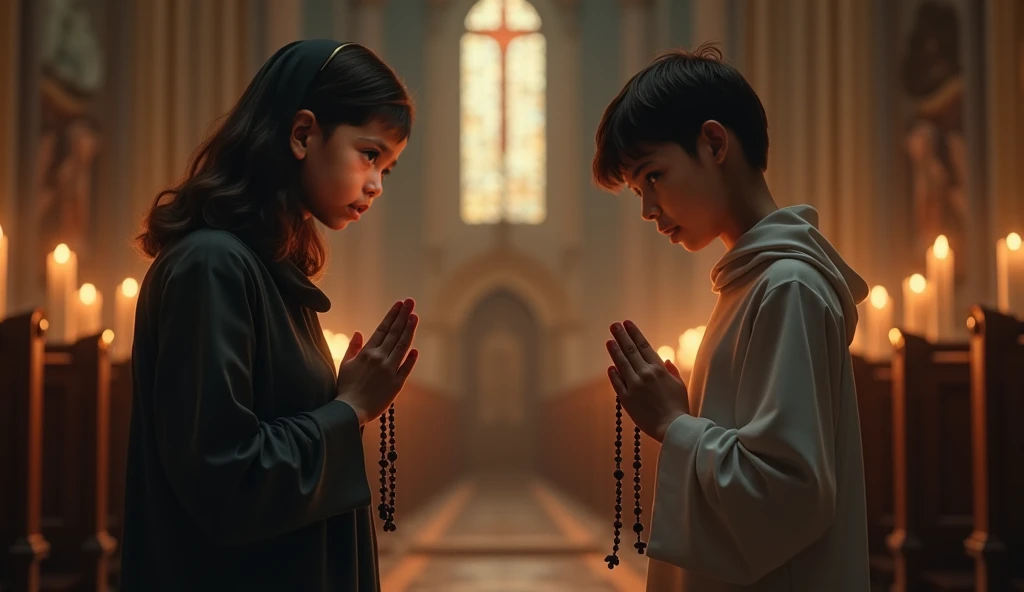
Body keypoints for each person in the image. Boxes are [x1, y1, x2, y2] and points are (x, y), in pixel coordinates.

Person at [119, 40, 418, 591]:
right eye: (370, 154)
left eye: (388, 169)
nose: (376, 184)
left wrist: (344, 404)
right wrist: (349, 408)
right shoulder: (211, 265)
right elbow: (225, 479)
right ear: (303, 133)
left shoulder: (266, 268)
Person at [592, 43, 871, 591]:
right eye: (637, 191)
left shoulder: (788, 285)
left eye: (653, 176)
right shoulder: (751, 283)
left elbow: (788, 492)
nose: (648, 208)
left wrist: (673, 423)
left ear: (714, 142)